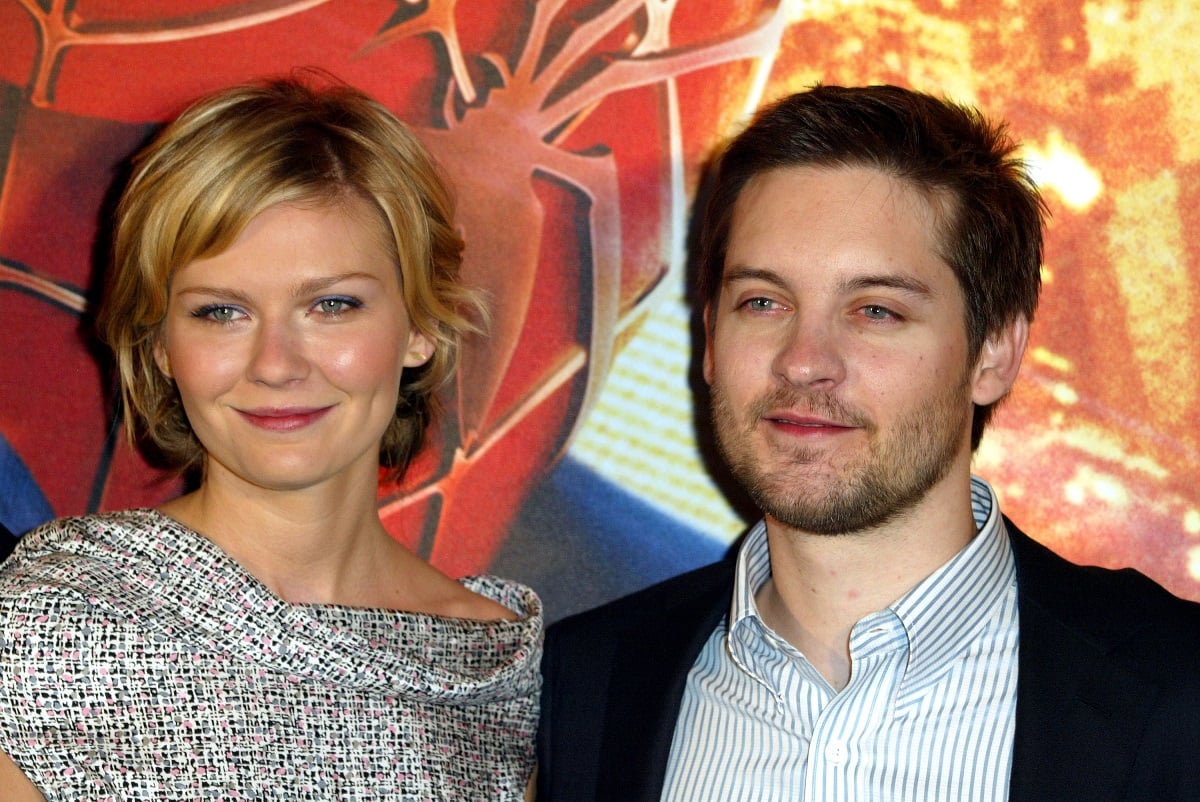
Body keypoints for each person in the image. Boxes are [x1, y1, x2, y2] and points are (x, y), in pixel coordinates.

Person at [536, 84, 1200, 802]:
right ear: (708, 339)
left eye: (876, 310)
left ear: (993, 353)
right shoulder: (585, 685)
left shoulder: (1176, 693)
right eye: (763, 301)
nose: (803, 359)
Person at [0, 74, 542, 800]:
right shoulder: (51, 623)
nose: (276, 365)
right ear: (160, 344)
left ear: (420, 326)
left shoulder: (499, 670)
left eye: (331, 305)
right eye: (221, 313)